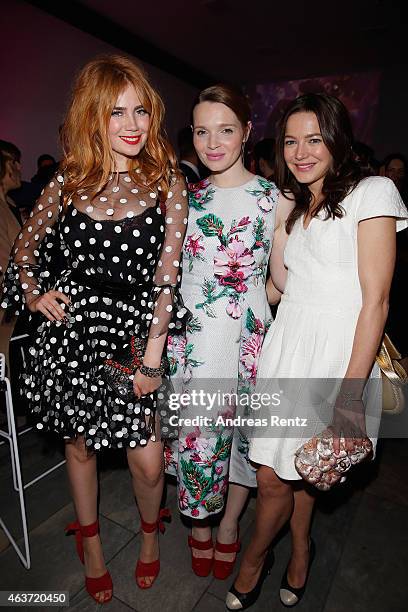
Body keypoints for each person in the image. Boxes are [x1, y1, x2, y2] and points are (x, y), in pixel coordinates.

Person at [1, 55, 189, 603]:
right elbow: (24, 247)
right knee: (78, 446)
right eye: (116, 113)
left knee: (148, 460)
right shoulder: (68, 179)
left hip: (132, 337)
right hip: (73, 333)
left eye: (142, 112)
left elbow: (166, 278)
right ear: (92, 117)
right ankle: (92, 546)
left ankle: (151, 539)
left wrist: (152, 360)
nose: (133, 126)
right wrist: (35, 295)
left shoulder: (166, 181)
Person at [226, 93, 408, 610]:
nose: (301, 152)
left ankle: (254, 559)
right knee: (285, 467)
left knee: (278, 476)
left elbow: (376, 300)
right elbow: (281, 287)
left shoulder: (373, 192)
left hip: (336, 356)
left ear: (337, 139)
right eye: (290, 141)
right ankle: (301, 547)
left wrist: (350, 395)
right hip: (286, 349)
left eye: (313, 139)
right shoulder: (296, 204)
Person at [165, 84, 292, 581]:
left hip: (248, 338)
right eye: (201, 131)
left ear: (246, 133)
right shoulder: (183, 199)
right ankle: (199, 529)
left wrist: (248, 306)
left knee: (246, 439)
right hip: (195, 342)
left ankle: (229, 525)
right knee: (197, 438)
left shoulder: (275, 200)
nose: (212, 142)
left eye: (225, 129)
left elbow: (280, 284)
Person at [0, 143, 22, 375]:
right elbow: (6, 263)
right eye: (14, 162)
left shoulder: (11, 205)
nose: (19, 168)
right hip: (7, 309)